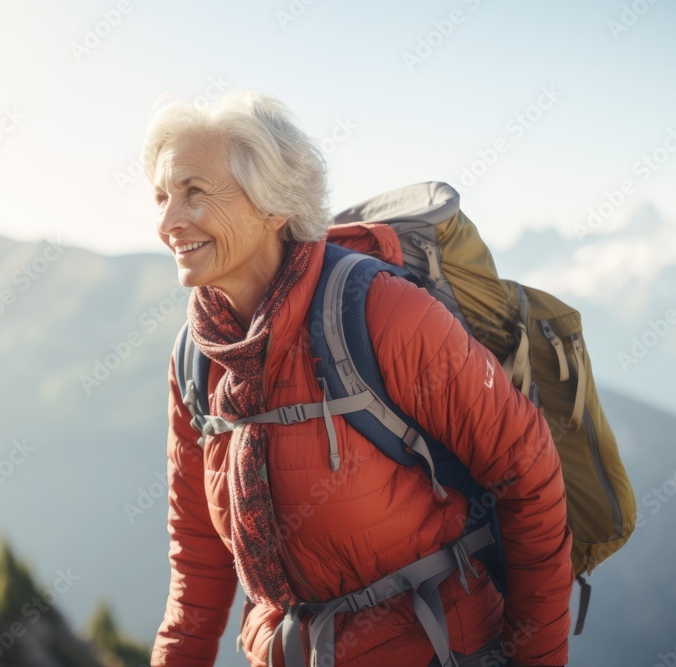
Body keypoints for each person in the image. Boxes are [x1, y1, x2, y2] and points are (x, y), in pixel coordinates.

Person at [144, 90, 573, 667]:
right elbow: (198, 557)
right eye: (162, 196)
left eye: (194, 192)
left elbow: (528, 473)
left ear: (274, 206)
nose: (168, 222)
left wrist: (540, 658)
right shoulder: (197, 359)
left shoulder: (381, 315)